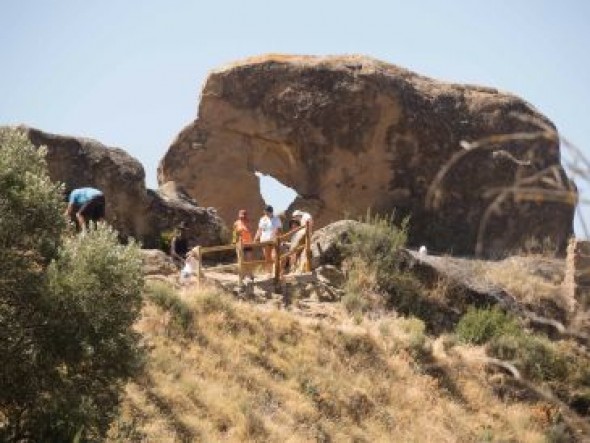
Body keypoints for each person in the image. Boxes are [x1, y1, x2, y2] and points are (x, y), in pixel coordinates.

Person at [253, 205, 282, 272]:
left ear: (271, 212)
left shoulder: (276, 219)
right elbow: (259, 229)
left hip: (273, 240)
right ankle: (269, 271)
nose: (266, 213)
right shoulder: (262, 219)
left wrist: (276, 237)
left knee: (274, 256)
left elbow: (279, 229)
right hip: (264, 240)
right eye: (265, 212)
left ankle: (276, 272)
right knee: (267, 257)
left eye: (268, 212)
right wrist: (256, 238)